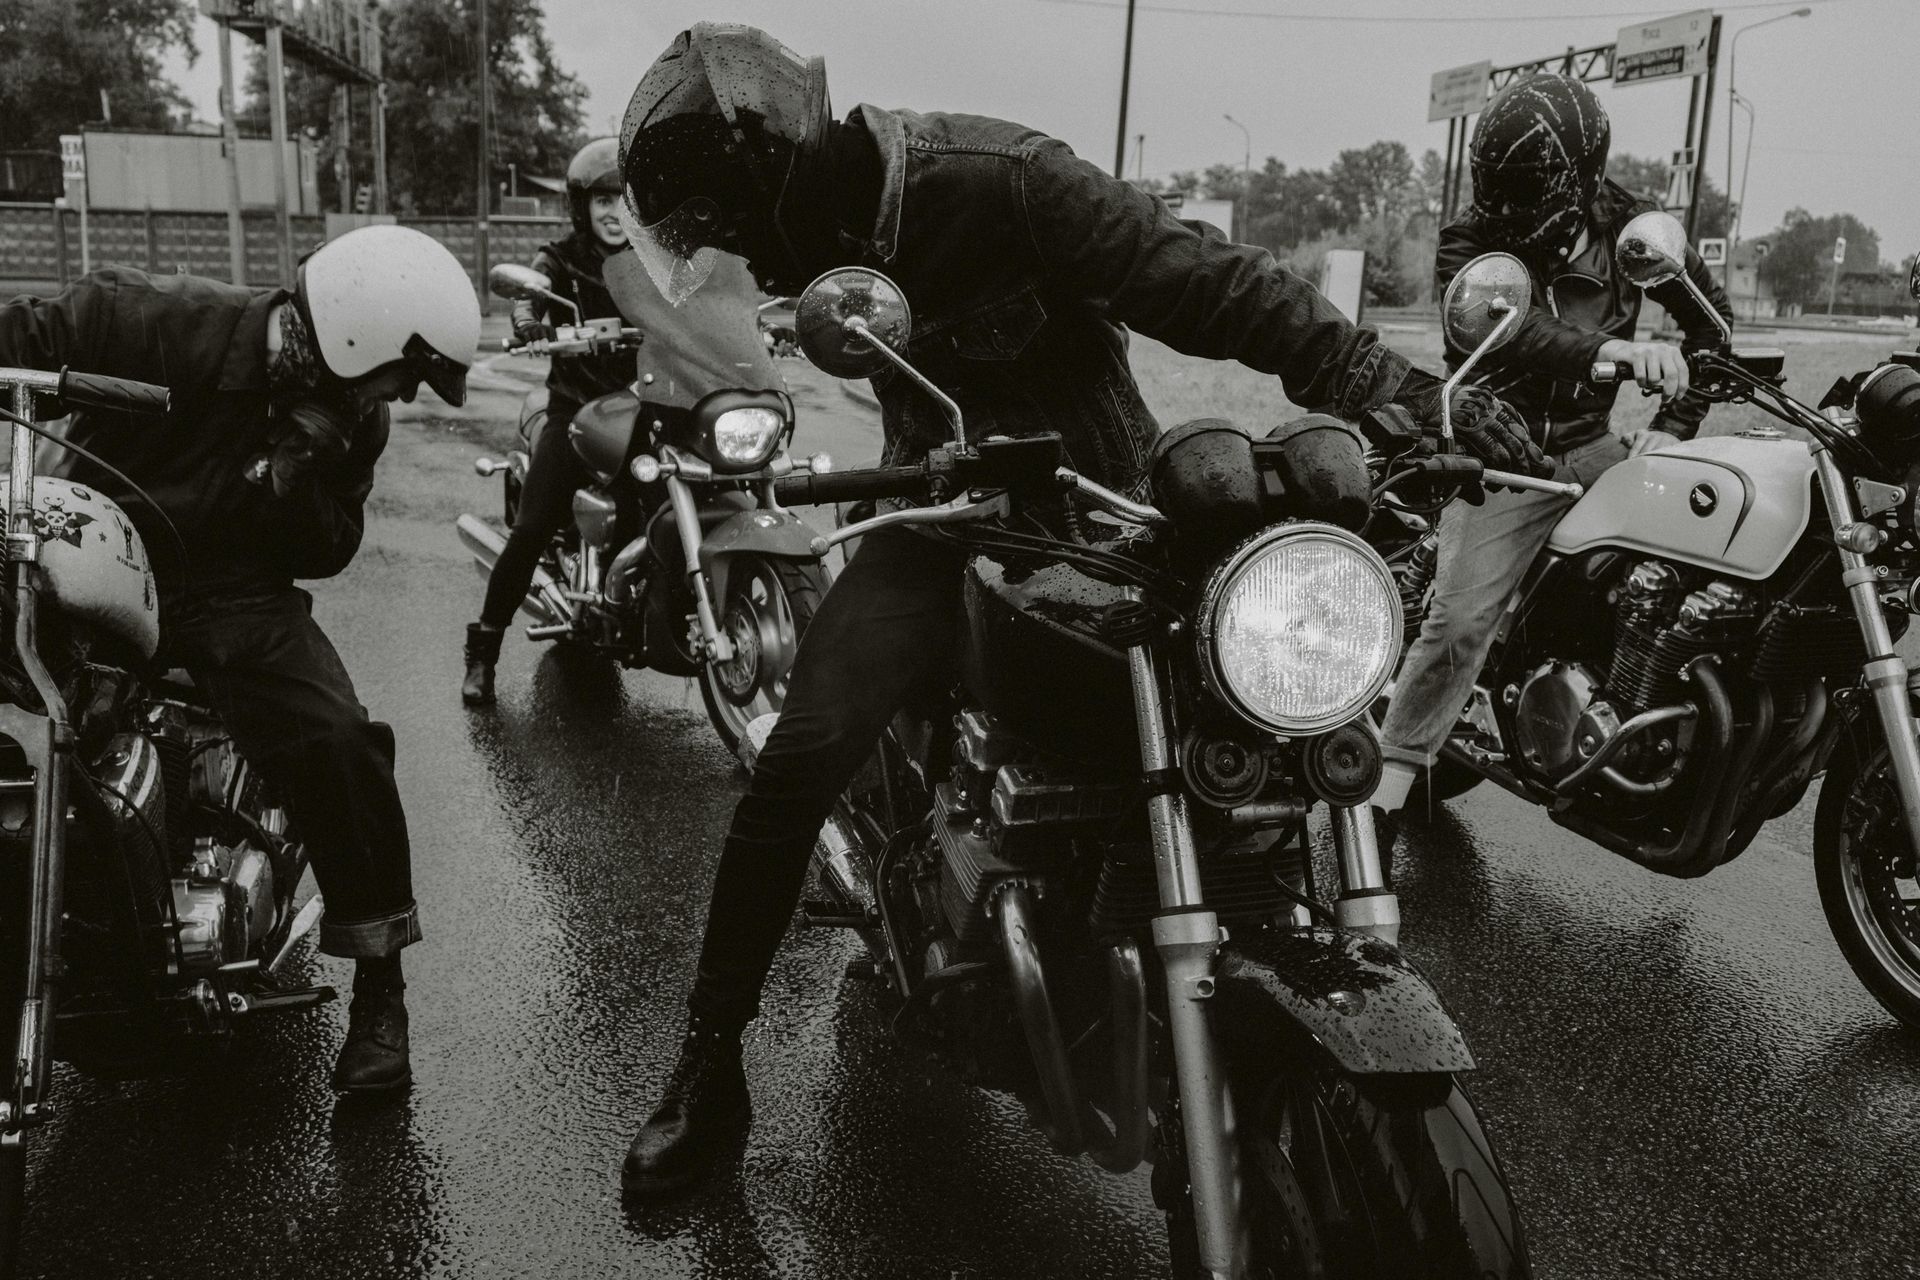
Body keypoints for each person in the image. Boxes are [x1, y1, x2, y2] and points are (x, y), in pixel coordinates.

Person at [612, 22, 1548, 1198]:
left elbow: (1206, 281)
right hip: (939, 511)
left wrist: (1390, 388)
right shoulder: (827, 235)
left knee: (1259, 725)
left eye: (733, 230)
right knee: (799, 757)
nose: (745, 257)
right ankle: (709, 1068)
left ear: (773, 184)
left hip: (1101, 505)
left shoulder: (1000, 179)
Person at [0, 224, 481, 1093]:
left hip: (228, 592)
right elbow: (27, 341)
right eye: (402, 373)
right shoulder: (147, 319)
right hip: (84, 559)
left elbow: (328, 550)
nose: (404, 395)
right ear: (356, 336)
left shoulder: (350, 420)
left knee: (339, 737)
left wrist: (295, 476)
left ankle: (380, 983)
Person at [1370, 72, 1733, 829]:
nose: (1509, 213)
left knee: (1694, 575)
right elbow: (1516, 329)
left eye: (1526, 194)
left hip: (1592, 446)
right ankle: (1383, 792)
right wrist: (1617, 355)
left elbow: (1713, 327)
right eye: (1498, 191)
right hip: (1500, 452)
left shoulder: (1634, 231)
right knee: (1460, 621)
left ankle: (1640, 732)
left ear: (1581, 174)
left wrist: (1680, 420)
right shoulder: (1469, 240)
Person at [463, 138, 636, 704]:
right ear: (582, 206)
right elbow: (530, 296)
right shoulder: (561, 258)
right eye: (604, 200)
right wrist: (528, 321)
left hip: (648, 405)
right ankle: (483, 652)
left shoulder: (659, 262)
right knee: (534, 525)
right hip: (578, 410)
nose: (615, 213)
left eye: (626, 199)